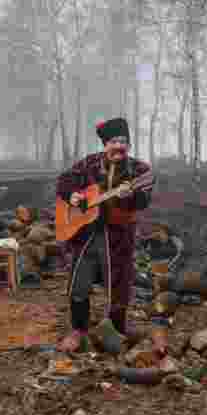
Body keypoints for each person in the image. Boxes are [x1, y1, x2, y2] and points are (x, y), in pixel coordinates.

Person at [56, 118, 152, 351]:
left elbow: (143, 200)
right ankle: (78, 330)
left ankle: (116, 332)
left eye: (123, 141)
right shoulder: (89, 164)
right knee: (79, 282)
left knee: (119, 285)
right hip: (86, 235)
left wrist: (128, 195)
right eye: (113, 141)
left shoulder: (139, 170)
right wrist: (73, 197)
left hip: (119, 235)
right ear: (105, 143)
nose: (118, 146)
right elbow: (64, 181)